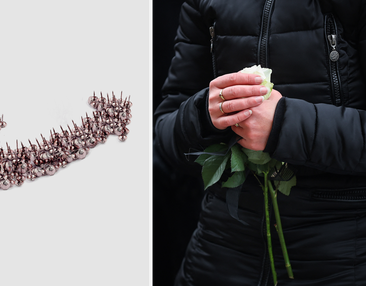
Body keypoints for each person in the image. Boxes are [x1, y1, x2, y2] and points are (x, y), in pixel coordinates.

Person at [153, 0, 366, 285]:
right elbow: (166, 139)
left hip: (338, 260)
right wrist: (204, 113)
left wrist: (285, 124)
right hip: (216, 256)